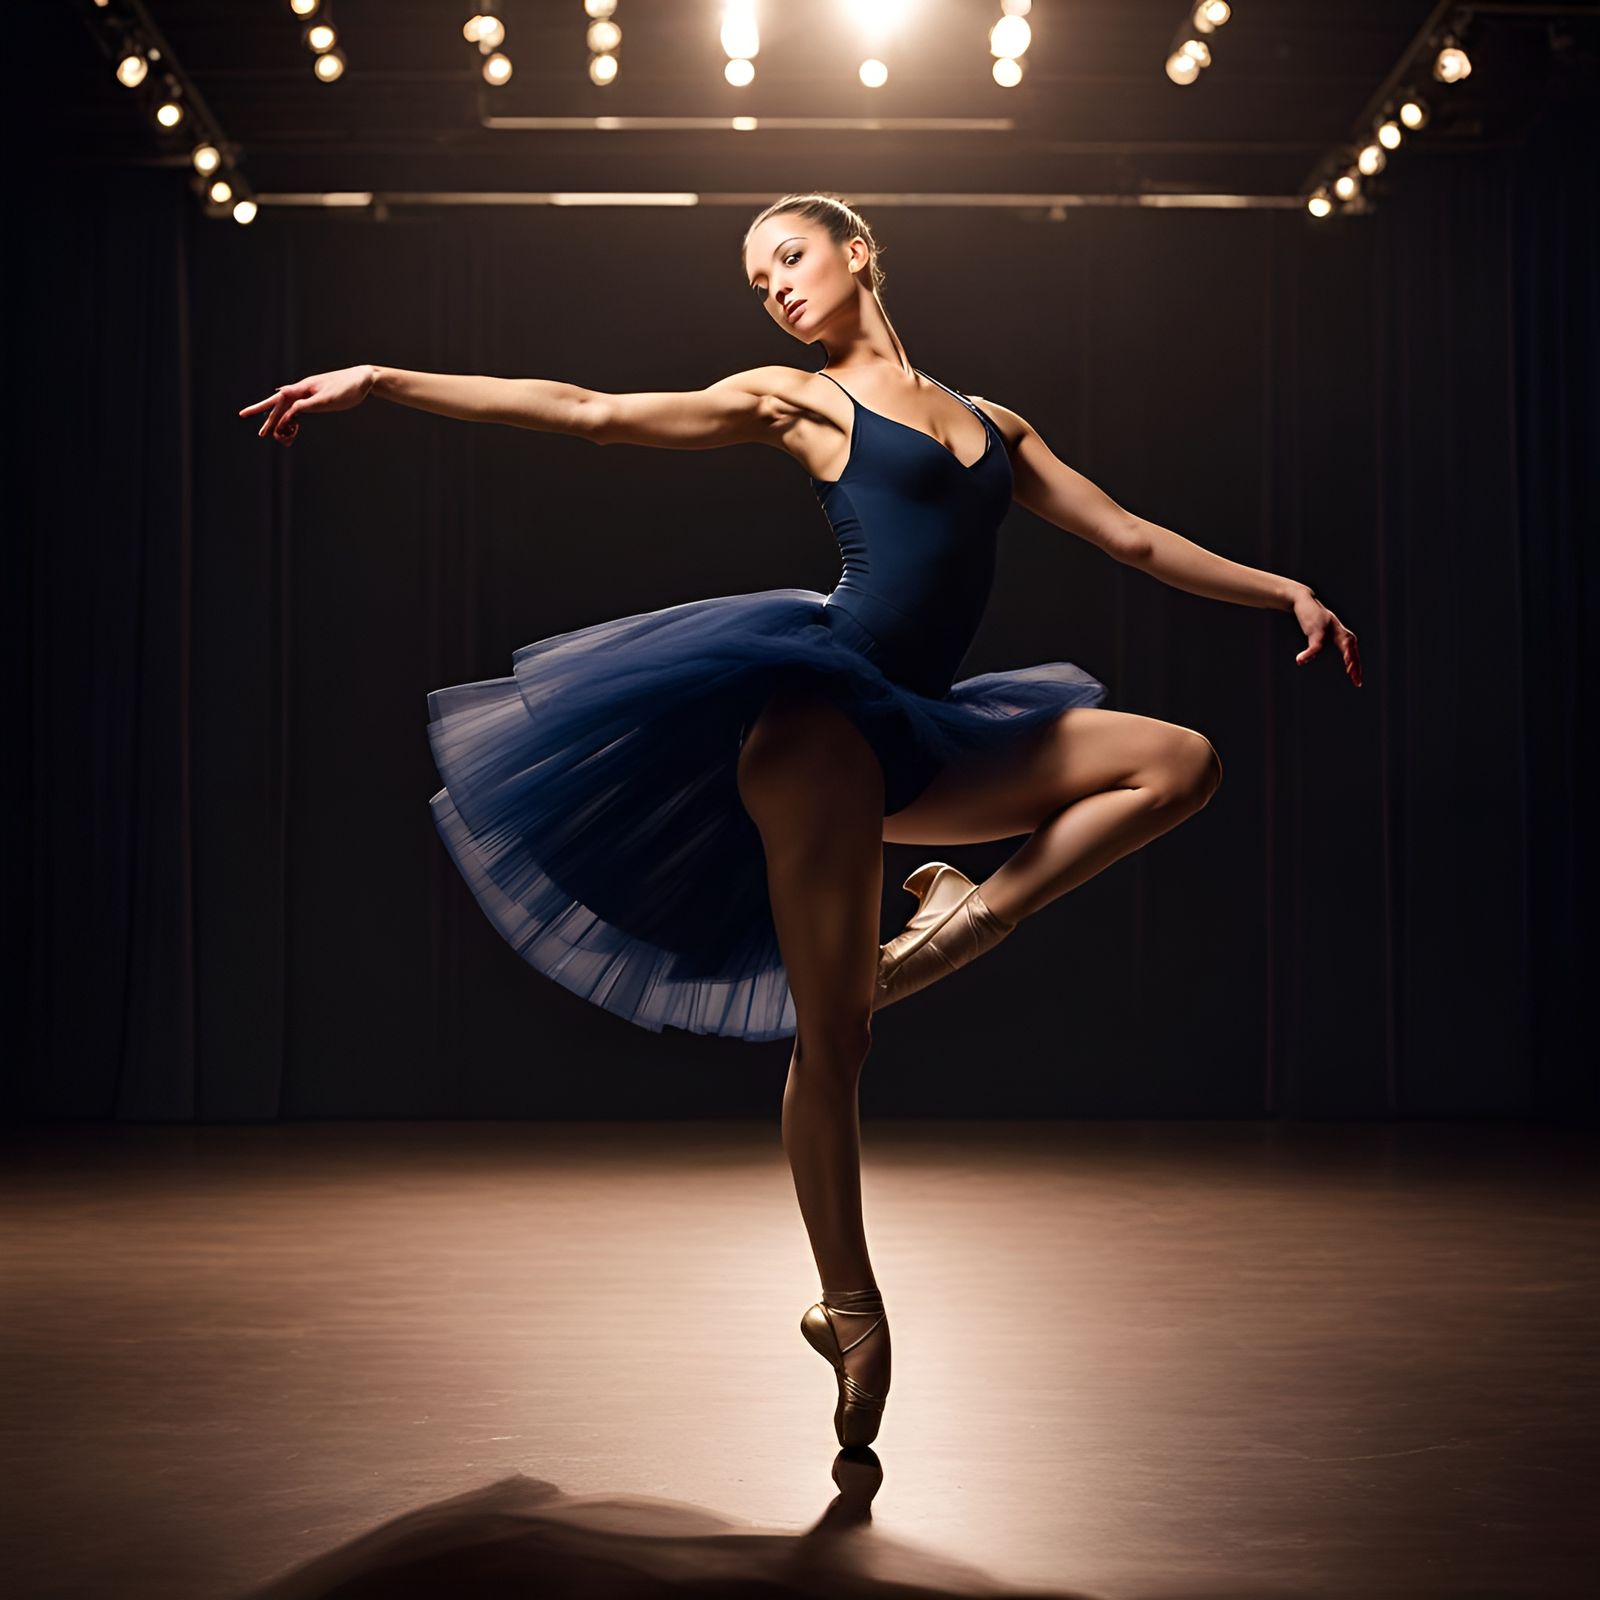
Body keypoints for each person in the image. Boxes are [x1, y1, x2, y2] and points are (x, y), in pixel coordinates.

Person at [239, 191, 1361, 1453]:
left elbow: (1135, 541)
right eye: (756, 276)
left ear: (856, 250)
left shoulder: (996, 426)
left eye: (788, 256)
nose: (772, 285)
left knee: (1177, 762)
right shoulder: (799, 399)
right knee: (836, 1037)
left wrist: (1286, 591)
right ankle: (850, 1301)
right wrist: (384, 379)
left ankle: (948, 926)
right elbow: (586, 412)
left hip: (933, 734)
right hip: (821, 720)